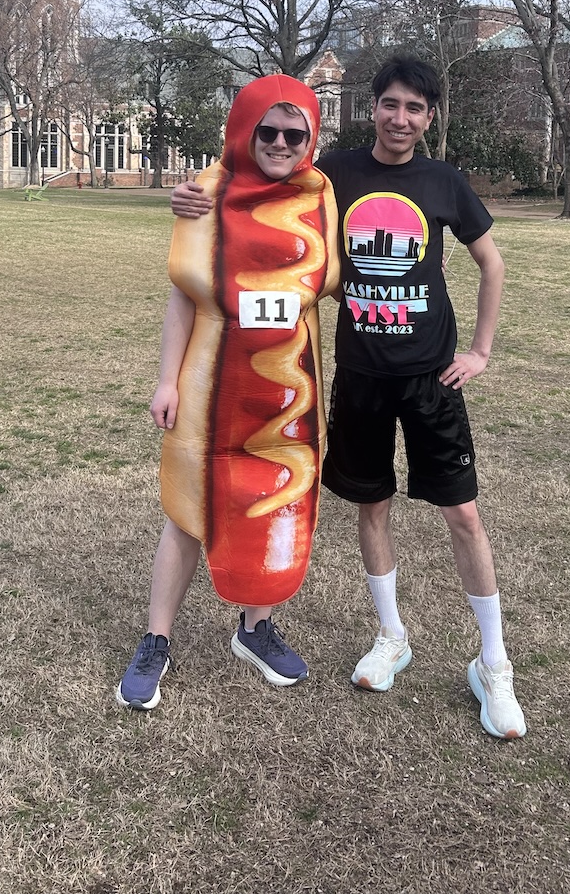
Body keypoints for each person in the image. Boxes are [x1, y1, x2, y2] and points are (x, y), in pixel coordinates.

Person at [172, 56, 526, 740]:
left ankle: (494, 663)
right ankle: (391, 635)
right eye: (390, 104)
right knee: (372, 509)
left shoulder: (445, 180)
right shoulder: (332, 171)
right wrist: (189, 196)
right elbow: (252, 178)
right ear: (374, 107)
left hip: (429, 379)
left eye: (415, 108)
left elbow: (492, 262)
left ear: (430, 117)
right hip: (360, 375)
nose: (400, 118)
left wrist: (479, 352)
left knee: (464, 516)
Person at [117, 75, 339, 711]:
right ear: (242, 130)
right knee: (190, 511)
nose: (278, 143)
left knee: (275, 501)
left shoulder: (321, 196)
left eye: (294, 134)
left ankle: (255, 627)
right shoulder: (206, 196)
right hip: (212, 385)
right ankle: (156, 639)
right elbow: (184, 298)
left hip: (289, 394)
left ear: (311, 139)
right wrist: (165, 380)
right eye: (265, 130)